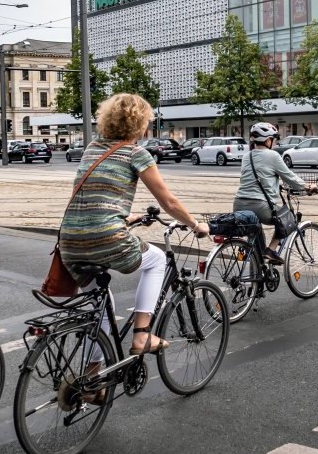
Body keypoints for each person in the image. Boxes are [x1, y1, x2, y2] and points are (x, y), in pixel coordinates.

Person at [59, 93, 209, 357]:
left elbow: (95, 198)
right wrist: (196, 224)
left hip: (69, 242)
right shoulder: (135, 152)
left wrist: (127, 218)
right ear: (139, 124)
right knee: (157, 260)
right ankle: (142, 336)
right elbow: (169, 203)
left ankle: (92, 381)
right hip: (105, 238)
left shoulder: (91, 148)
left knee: (101, 311)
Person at [233, 122, 314, 264]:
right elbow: (290, 177)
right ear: (268, 140)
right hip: (260, 207)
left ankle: (258, 269)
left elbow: (254, 177)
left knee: (256, 235)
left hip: (238, 205)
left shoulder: (247, 156)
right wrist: (307, 186)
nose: (274, 143)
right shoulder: (273, 156)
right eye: (273, 139)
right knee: (288, 219)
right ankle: (271, 250)